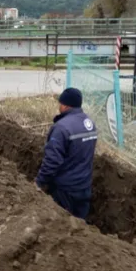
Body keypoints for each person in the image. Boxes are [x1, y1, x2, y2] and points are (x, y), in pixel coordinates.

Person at [35, 88, 97, 220]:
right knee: (81, 227)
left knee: (63, 225)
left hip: (65, 190)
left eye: (60, 103)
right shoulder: (90, 124)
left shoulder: (61, 128)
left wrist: (39, 183)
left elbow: (52, 161)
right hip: (84, 187)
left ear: (65, 105)